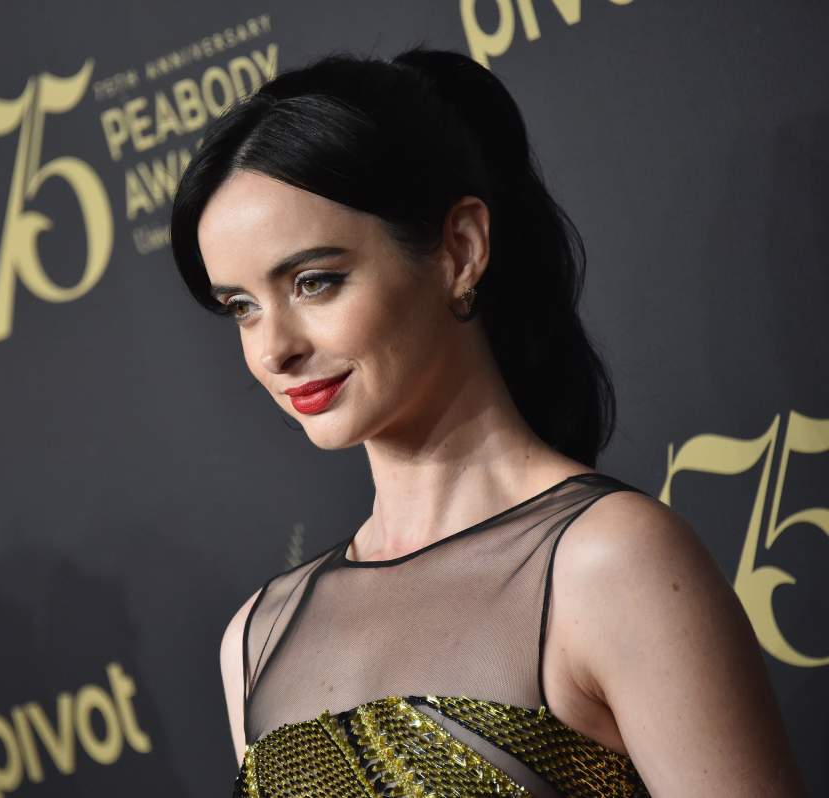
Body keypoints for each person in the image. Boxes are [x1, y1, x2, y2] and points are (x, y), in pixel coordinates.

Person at [168, 46, 808, 797]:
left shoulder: (607, 565)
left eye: (315, 282)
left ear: (461, 251)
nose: (275, 348)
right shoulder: (256, 639)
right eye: (241, 307)